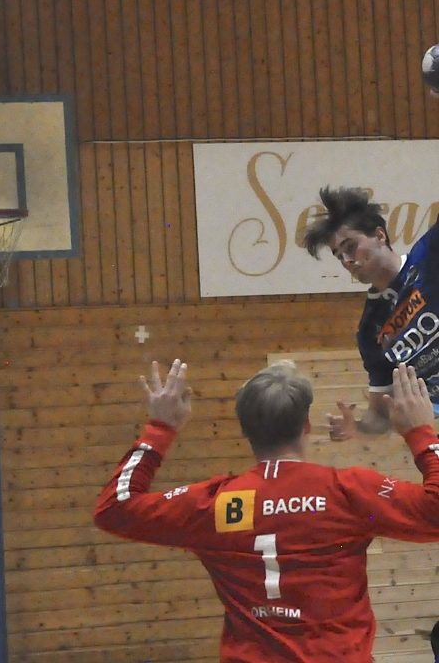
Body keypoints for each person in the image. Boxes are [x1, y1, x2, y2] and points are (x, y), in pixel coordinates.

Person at [94, 358, 439, 662]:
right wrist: (420, 433)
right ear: (306, 425)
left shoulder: (215, 504)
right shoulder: (348, 492)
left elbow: (114, 507)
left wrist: (159, 429)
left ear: (245, 431)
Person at [302, 186, 439, 440]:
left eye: (351, 246)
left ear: (380, 235)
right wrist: (357, 427)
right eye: (339, 256)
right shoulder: (369, 329)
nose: (347, 260)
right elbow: (380, 415)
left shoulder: (430, 253)